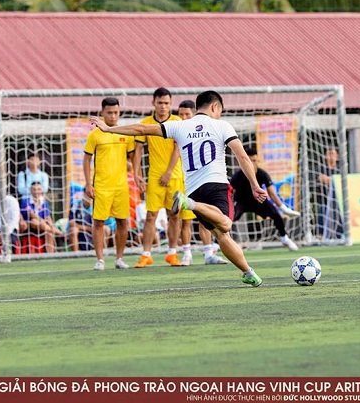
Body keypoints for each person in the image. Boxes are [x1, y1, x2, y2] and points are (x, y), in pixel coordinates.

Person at [91, 90, 267, 287]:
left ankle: (248, 272)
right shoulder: (222, 125)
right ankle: (190, 204)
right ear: (215, 107)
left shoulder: (179, 126)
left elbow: (141, 130)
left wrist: (108, 129)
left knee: (220, 234)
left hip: (193, 188)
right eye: (220, 111)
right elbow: (242, 156)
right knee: (225, 224)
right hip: (215, 185)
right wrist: (254, 184)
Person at [132, 87, 186, 268]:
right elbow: (138, 151)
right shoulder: (146, 123)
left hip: (174, 174)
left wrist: (169, 171)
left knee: (174, 215)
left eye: (166, 103)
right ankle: (146, 254)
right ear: (153, 103)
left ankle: (172, 253)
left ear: (171, 104)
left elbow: (178, 148)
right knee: (150, 215)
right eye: (160, 103)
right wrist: (137, 174)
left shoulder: (177, 121)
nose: (163, 106)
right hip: (154, 175)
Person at [83, 97, 134, 271]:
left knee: (122, 222)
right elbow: (87, 160)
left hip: (121, 186)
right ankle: (100, 259)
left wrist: (136, 176)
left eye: (116, 112)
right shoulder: (94, 135)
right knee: (98, 222)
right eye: (109, 112)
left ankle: (119, 258)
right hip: (101, 186)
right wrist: (88, 184)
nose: (113, 116)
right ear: (102, 112)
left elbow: (133, 158)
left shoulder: (125, 133)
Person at [176, 99, 227, 265]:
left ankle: (208, 253)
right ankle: (186, 253)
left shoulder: (200, 129)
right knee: (185, 219)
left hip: (200, 180)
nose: (183, 117)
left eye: (186, 114)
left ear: (194, 114)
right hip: (186, 180)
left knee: (204, 218)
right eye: (181, 114)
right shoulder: (180, 129)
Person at [231, 146, 300, 251]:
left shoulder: (262, 174)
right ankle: (216, 244)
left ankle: (284, 238)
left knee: (276, 215)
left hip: (259, 200)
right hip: (241, 201)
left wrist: (285, 209)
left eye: (255, 160)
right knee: (228, 219)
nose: (253, 163)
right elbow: (231, 193)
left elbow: (272, 194)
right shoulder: (237, 176)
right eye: (250, 161)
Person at [19, 182, 62, 253]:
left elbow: (47, 217)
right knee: (34, 221)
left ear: (41, 190)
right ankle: (60, 234)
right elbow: (32, 215)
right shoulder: (25, 201)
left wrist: (51, 225)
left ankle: (51, 255)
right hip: (29, 226)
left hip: (42, 227)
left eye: (38, 189)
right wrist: (45, 223)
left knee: (49, 232)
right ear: (30, 190)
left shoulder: (44, 202)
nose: (36, 191)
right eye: (34, 189)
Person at [0, 182, 24, 254]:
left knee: (12, 240)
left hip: (10, 230)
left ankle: (14, 258)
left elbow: (14, 220)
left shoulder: (12, 201)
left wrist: (5, 233)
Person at [314, 146, 344, 240]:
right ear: (325, 156)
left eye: (333, 154)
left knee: (340, 214)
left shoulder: (341, 169)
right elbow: (322, 178)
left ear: (337, 156)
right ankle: (321, 235)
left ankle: (340, 235)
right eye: (329, 154)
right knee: (322, 211)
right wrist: (333, 180)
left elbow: (341, 181)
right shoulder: (320, 168)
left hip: (338, 200)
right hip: (323, 200)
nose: (331, 156)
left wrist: (330, 180)